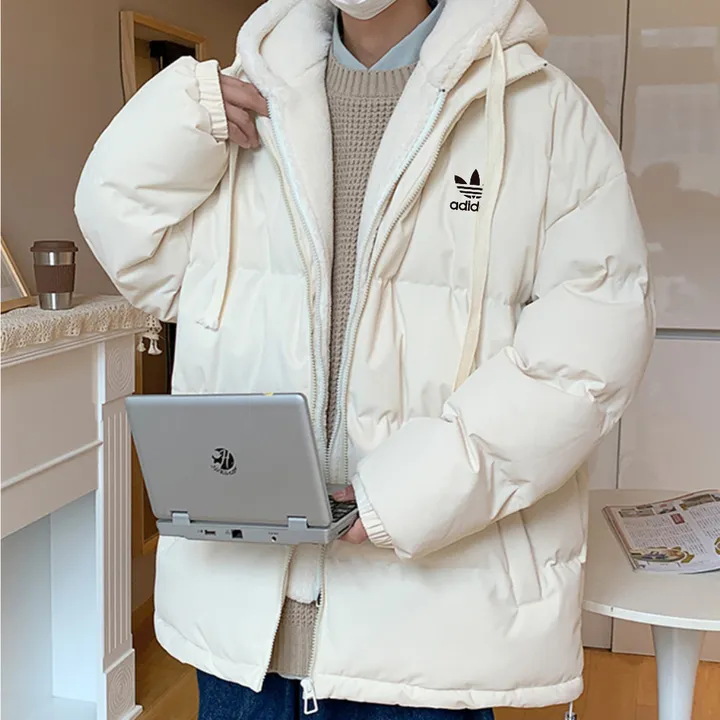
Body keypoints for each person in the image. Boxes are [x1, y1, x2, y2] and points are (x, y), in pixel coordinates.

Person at [75, 0, 654, 718]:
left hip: (426, 641)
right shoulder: (237, 103)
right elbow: (138, 254)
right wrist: (175, 122)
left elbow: (588, 353)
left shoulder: (544, 113)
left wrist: (414, 491)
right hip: (240, 629)